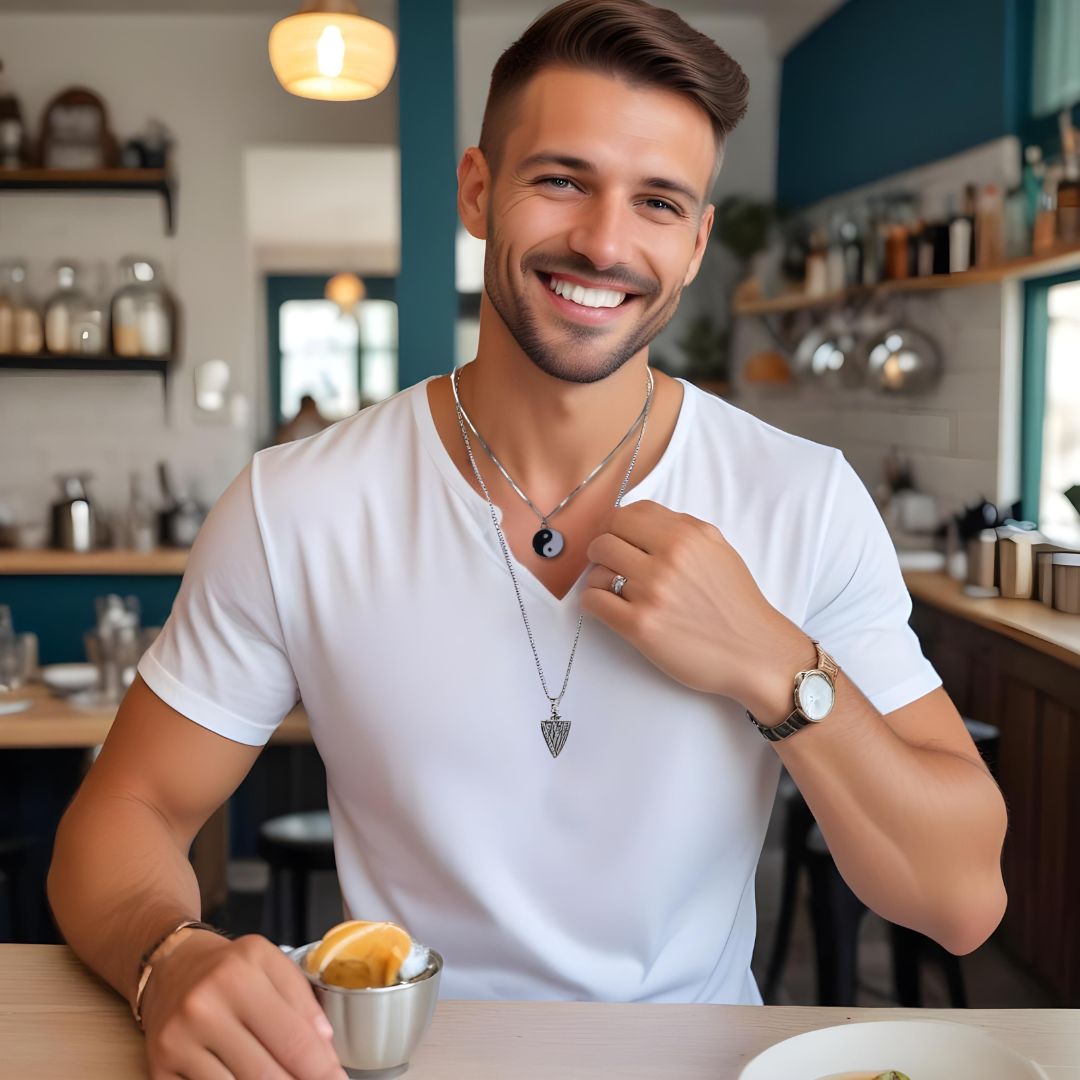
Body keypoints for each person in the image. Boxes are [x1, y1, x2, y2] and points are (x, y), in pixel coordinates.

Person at [48, 2, 1008, 1078]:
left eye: (657, 202)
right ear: (476, 191)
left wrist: (775, 664)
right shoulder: (295, 506)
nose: (604, 241)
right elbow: (120, 819)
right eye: (562, 179)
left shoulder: (803, 499)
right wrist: (168, 956)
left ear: (694, 245)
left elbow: (962, 898)